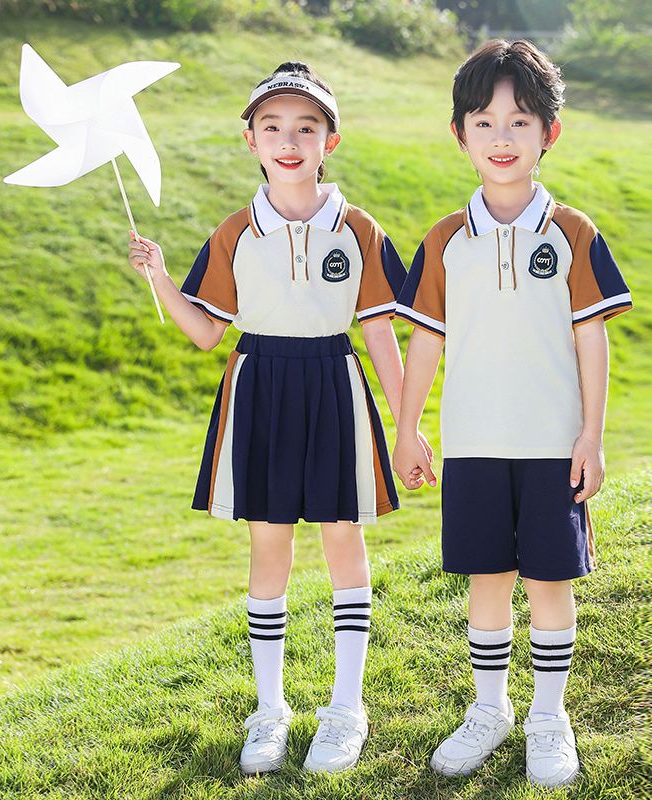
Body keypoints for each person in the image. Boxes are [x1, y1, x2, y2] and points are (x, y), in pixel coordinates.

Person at [128, 61, 426, 775]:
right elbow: (206, 333)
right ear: (250, 140)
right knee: (269, 548)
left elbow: (382, 330)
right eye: (273, 128)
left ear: (332, 140)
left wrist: (408, 424)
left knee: (343, 539)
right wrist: (160, 277)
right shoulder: (237, 232)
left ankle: (347, 708)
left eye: (306, 127)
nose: (289, 140)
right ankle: (270, 710)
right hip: (258, 383)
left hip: (334, 381)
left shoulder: (358, 228)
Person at [392, 39, 632, 788]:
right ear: (459, 134)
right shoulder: (442, 240)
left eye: (520, 121)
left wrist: (591, 435)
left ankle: (549, 718)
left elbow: (590, 342)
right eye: (485, 122)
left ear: (548, 134)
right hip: (471, 446)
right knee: (487, 580)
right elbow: (424, 346)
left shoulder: (573, 233)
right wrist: (408, 427)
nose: (502, 138)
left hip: (552, 444)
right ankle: (491, 709)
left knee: (550, 583)